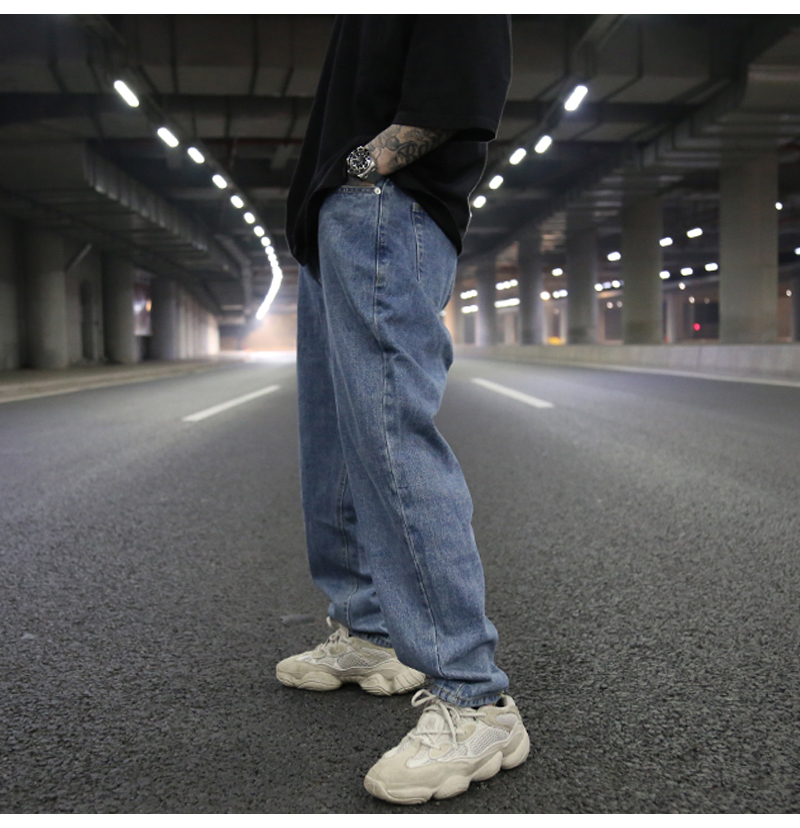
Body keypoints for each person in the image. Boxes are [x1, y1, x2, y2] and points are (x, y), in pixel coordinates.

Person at [279, 14, 529, 804]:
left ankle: (473, 696)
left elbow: (459, 80)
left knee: (390, 436)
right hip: (337, 223)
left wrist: (362, 169)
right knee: (334, 438)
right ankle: (368, 630)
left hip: (383, 208)